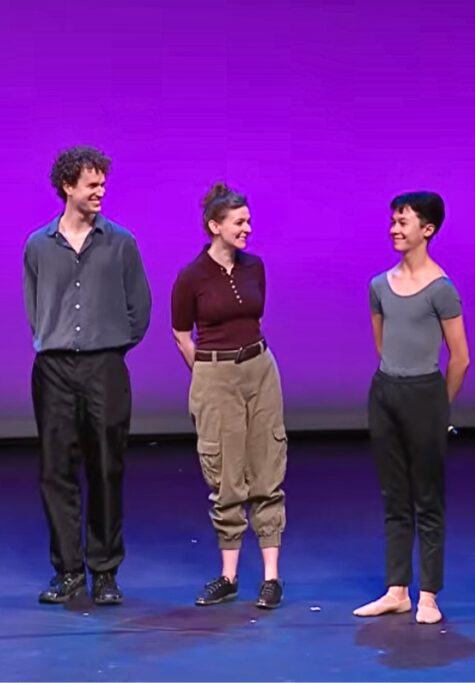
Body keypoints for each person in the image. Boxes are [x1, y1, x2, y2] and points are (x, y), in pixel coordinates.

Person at [23, 145, 151, 605]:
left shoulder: (121, 242)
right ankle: (69, 572)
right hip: (55, 368)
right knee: (56, 471)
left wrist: (110, 343)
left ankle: (105, 571)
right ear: (67, 187)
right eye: (91, 184)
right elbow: (35, 307)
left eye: (102, 184)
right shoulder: (39, 245)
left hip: (104, 366)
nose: (100, 192)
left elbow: (140, 307)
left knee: (106, 466)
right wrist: (56, 339)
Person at [353, 191, 470, 624]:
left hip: (425, 395)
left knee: (428, 498)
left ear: (428, 229)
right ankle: (397, 589)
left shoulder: (442, 289)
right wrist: (394, 381)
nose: (395, 229)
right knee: (394, 495)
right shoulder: (379, 285)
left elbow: (460, 356)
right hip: (386, 392)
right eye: (393, 221)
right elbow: (382, 342)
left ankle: (429, 595)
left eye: (404, 222)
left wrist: (440, 405)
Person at [171, 182, 287, 609]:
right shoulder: (191, 277)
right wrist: (205, 374)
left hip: (259, 369)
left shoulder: (255, 267)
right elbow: (182, 333)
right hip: (216, 375)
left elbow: (253, 315)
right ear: (214, 226)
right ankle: (229, 575)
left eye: (248, 221)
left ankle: (272, 578)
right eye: (239, 222)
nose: (247, 229)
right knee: (225, 476)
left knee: (268, 470)